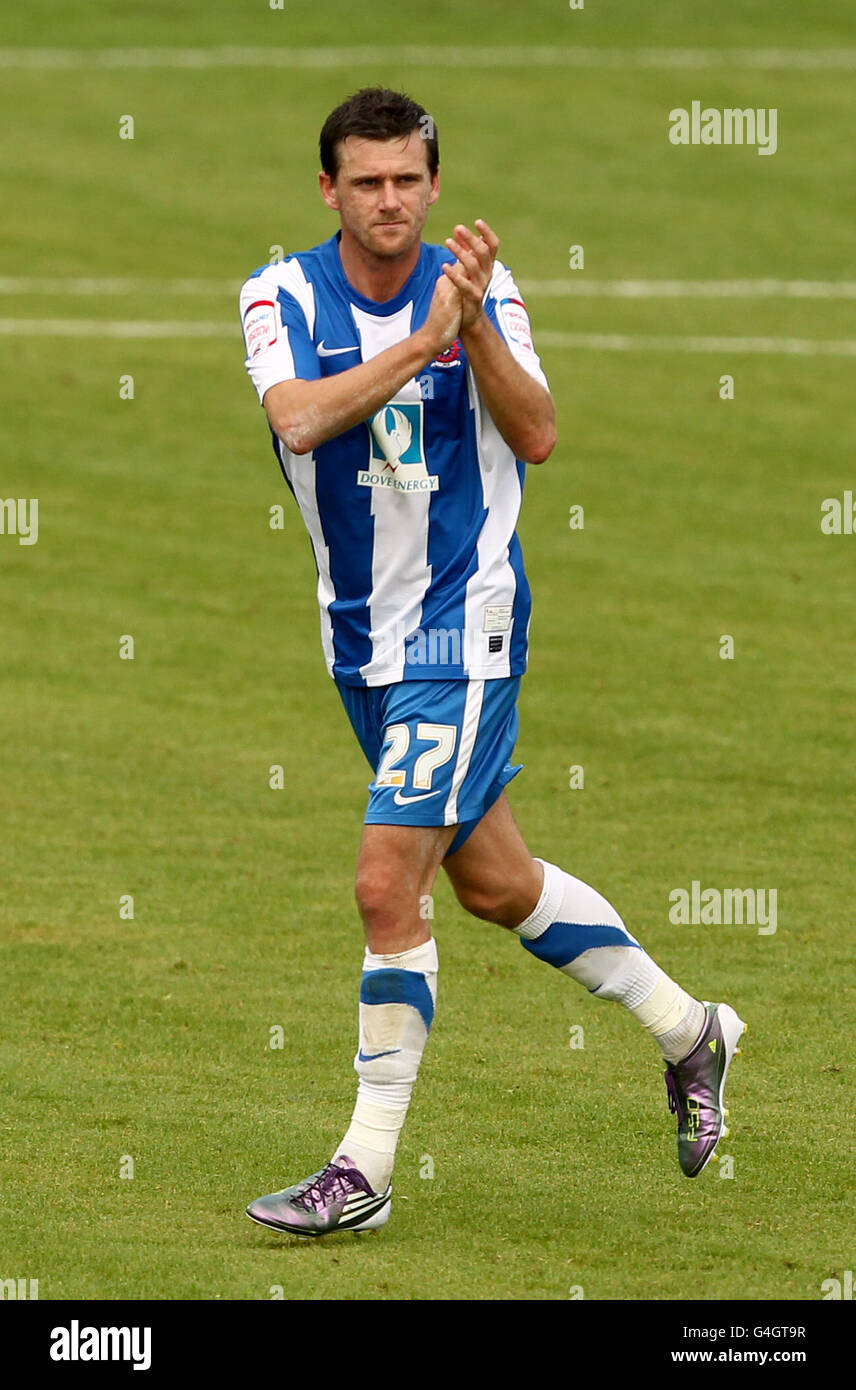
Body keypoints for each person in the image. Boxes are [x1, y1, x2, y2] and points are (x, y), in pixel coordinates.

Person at [238, 87, 745, 1237]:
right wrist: (422, 341)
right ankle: (690, 1029)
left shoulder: (486, 292)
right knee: (495, 883)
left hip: (463, 623)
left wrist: (464, 328)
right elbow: (300, 420)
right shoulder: (278, 294)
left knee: (385, 885)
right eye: (364, 181)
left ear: (432, 183)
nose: (388, 200)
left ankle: (360, 1171)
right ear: (328, 190)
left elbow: (540, 432)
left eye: (408, 179)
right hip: (359, 634)